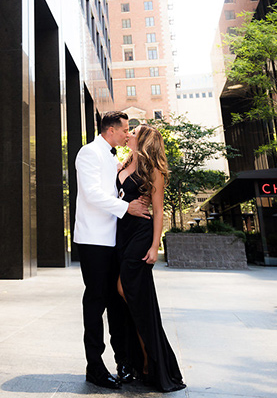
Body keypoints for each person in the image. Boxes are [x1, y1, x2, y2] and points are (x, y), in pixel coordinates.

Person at [73, 111, 151, 390]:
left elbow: (114, 188)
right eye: (124, 130)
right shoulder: (89, 152)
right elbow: (92, 193)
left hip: (113, 240)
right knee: (95, 302)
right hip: (93, 239)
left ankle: (124, 362)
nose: (127, 134)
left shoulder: (112, 156)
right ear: (110, 130)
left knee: (114, 302)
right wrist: (126, 207)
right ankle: (94, 366)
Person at [116, 124, 186, 393]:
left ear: (144, 139)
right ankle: (142, 358)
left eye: (133, 131)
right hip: (122, 233)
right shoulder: (123, 163)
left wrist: (155, 245)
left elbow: (158, 211)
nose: (129, 133)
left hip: (141, 235)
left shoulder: (152, 169)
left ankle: (151, 359)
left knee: (126, 289)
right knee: (135, 298)